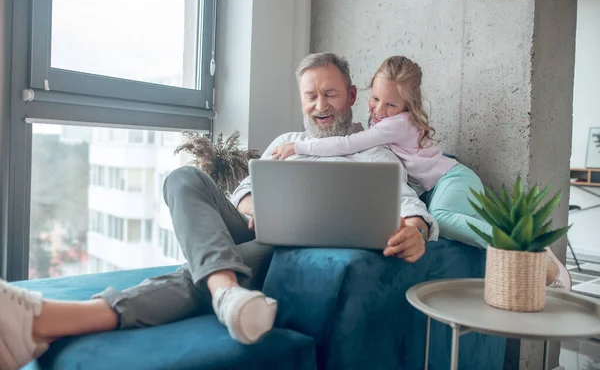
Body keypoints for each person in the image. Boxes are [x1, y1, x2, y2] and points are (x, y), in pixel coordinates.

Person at [0, 52, 437, 370]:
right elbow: (243, 191)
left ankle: (45, 319)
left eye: (330, 94)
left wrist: (417, 229)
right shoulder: (285, 140)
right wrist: (254, 207)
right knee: (182, 179)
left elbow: (408, 204)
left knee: (227, 262)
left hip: (291, 251)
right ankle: (226, 290)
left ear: (352, 95)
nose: (320, 106)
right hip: (254, 228)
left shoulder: (374, 151)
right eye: (311, 96)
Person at [271, 55, 571, 290]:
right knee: (461, 222)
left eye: (390, 104)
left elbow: (349, 142)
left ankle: (526, 250)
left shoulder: (395, 124)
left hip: (452, 180)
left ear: (407, 106)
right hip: (438, 185)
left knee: (443, 219)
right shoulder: (381, 121)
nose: (378, 110)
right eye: (375, 99)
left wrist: (300, 148)